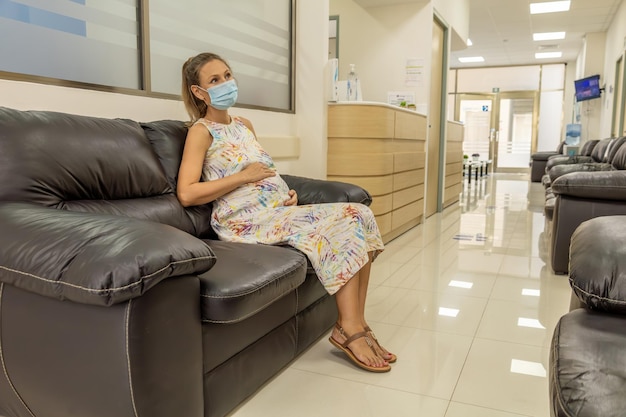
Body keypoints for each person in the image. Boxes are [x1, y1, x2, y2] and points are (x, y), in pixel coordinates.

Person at [177, 52, 395, 372]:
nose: (226, 84)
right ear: (199, 92)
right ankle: (351, 330)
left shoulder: (244, 125)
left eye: (227, 75)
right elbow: (186, 193)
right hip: (244, 222)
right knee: (345, 222)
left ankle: (354, 324)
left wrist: (284, 193)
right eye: (214, 80)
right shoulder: (202, 131)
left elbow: (264, 170)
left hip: (275, 211)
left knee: (359, 213)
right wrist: (242, 177)